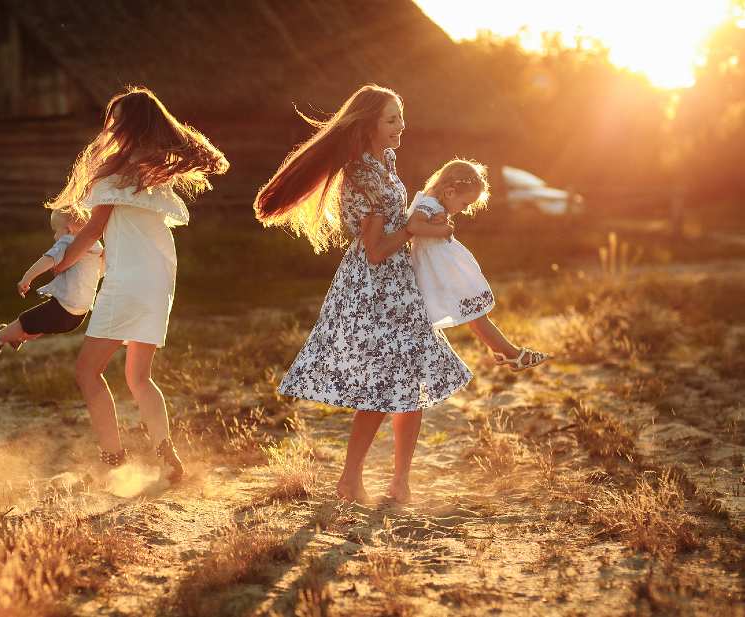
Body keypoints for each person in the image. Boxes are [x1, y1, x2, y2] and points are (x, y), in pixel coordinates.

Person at [254, 85, 470, 504]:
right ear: (368, 122)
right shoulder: (361, 175)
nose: (401, 127)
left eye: (401, 117)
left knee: (412, 379)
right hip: (374, 289)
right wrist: (412, 228)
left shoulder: (385, 161)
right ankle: (350, 479)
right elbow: (374, 251)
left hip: (402, 286)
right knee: (381, 385)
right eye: (391, 119)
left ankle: (400, 481)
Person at [49, 86, 228, 483]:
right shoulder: (155, 176)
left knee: (87, 372)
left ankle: (114, 460)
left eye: (114, 121)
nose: (108, 128)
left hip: (127, 283)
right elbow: (214, 161)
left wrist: (60, 264)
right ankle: (167, 455)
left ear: (125, 125)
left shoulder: (117, 173)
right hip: (159, 284)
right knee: (139, 377)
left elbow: (94, 229)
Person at [407, 158, 549, 371]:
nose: (464, 210)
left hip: (443, 266)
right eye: (465, 204)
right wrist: (443, 231)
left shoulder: (433, 202)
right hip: (439, 269)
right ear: (450, 192)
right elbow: (413, 226)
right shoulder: (430, 203)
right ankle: (510, 354)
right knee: (476, 313)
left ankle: (505, 352)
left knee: (476, 313)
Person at [0, 209, 102, 354]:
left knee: (26, 320)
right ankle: (16, 337)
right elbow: (99, 272)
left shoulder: (68, 239)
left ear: (68, 229)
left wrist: (27, 277)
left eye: (56, 231)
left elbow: (49, 259)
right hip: (80, 315)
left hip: (65, 307)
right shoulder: (96, 247)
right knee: (40, 323)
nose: (54, 236)